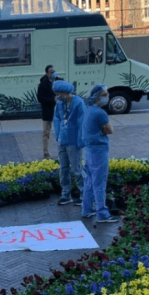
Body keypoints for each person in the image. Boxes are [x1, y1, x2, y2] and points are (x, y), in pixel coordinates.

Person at [78, 84, 119, 223]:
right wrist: (103, 131)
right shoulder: (100, 113)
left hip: (89, 151)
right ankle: (102, 213)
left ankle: (87, 209)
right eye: (104, 94)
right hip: (99, 151)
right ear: (97, 96)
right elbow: (110, 129)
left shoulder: (88, 110)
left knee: (89, 180)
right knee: (99, 182)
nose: (107, 97)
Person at [52, 80, 86, 206]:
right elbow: (57, 118)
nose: (57, 95)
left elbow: (82, 122)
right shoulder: (59, 104)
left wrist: (80, 139)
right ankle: (66, 194)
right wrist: (58, 134)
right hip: (62, 139)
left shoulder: (78, 103)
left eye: (59, 93)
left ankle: (85, 194)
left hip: (74, 139)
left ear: (65, 92)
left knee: (77, 168)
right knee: (63, 168)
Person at [37, 65, 58, 159]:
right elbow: (40, 98)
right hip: (48, 111)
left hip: (58, 111)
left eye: (54, 71)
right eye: (51, 72)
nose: (54, 73)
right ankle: (46, 152)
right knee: (46, 132)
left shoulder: (59, 81)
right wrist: (53, 100)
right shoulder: (43, 84)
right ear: (47, 73)